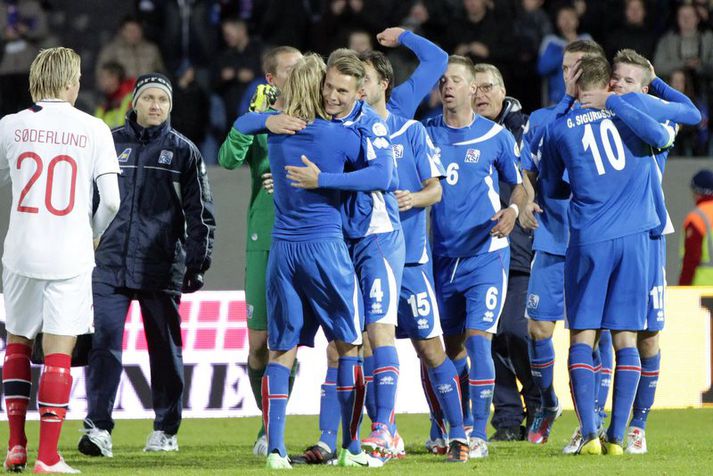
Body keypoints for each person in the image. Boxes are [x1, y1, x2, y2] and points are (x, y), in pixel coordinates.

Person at [284, 27, 448, 465]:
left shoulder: (377, 123)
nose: (333, 96)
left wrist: (324, 180)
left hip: (378, 238)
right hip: (340, 241)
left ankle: (384, 431)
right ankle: (331, 439)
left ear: (364, 89)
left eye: (343, 89)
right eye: (329, 88)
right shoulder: (322, 123)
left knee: (381, 331)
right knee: (339, 343)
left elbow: (382, 178)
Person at [234, 53, 387, 470]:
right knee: (349, 345)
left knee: (281, 349)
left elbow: (240, 125)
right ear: (320, 88)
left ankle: (276, 449)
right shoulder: (340, 137)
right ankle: (352, 448)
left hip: (282, 251)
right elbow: (381, 177)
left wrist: (267, 120)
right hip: (325, 248)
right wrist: (327, 180)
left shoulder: (279, 134)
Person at [538, 54, 675, 455]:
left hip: (590, 238)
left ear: (576, 82)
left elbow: (551, 189)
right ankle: (619, 437)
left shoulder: (559, 129)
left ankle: (591, 434)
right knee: (626, 338)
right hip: (636, 238)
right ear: (609, 84)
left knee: (583, 334)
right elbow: (668, 132)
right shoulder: (629, 114)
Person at [78, 72, 216, 458]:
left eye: (163, 100)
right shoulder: (107, 143)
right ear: (134, 102)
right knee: (104, 344)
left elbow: (200, 213)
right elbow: (85, 202)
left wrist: (197, 262)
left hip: (161, 265)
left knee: (165, 350)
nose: (156, 105)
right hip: (109, 264)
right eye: (149, 98)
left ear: (170, 107)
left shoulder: (184, 151)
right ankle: (98, 428)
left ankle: (165, 429)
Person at [1, 46, 121, 474]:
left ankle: (16, 445)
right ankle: (48, 458)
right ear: (73, 81)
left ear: (36, 80)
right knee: (58, 353)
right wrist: (92, 233)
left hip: (20, 250)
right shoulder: (93, 129)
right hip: (69, 252)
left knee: (17, 341)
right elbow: (110, 201)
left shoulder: (11, 126)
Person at [358, 49, 469, 463]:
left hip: (411, 263)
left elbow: (435, 190)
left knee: (432, 348)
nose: (359, 86)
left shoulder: (411, 131)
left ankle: (459, 432)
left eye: (364, 78)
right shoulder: (353, 132)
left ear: (383, 83)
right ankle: (385, 430)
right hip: (370, 258)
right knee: (371, 346)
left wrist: (413, 198)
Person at [424, 55, 528, 459]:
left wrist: (514, 211)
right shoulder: (424, 133)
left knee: (479, 341)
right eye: (443, 80)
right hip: (440, 258)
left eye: (456, 81)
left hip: (486, 254)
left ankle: (478, 433)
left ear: (472, 89)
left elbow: (518, 186)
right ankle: (445, 424)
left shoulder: (496, 137)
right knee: (443, 350)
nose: (447, 86)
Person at [607, 48, 701, 454]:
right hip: (602, 234)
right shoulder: (598, 117)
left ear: (644, 89)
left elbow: (693, 114)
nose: (619, 86)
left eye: (630, 82)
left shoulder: (654, 115)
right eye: (616, 79)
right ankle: (597, 423)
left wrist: (649, 86)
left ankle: (638, 425)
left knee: (647, 335)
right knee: (599, 333)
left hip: (647, 235)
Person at [521, 39, 606, 449]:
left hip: (596, 240)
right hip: (553, 238)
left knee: (591, 335)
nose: (569, 75)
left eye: (577, 68)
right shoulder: (542, 120)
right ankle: (547, 402)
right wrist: (524, 200)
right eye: (565, 68)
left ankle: (594, 417)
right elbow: (527, 172)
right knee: (538, 328)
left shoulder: (613, 117)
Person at [218, 45, 302, 457]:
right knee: (259, 345)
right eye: (291, 69)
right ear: (271, 79)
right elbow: (227, 159)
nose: (302, 74)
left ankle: (342, 435)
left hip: (311, 237)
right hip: (264, 237)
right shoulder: (259, 122)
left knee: (308, 341)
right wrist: (260, 121)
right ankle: (269, 425)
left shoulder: (322, 114)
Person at [469, 63, 540, 442]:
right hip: (479, 249)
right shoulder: (463, 132)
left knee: (514, 330)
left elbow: (532, 175)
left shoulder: (524, 128)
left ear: (502, 90)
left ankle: (538, 397)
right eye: (474, 89)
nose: (480, 95)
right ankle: (509, 420)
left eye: (487, 88)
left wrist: (529, 202)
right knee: (488, 336)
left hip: (520, 248)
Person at [537, 4, 592, 105]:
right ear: (557, 21)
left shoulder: (587, 40)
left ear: (577, 21)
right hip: (558, 102)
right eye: (563, 18)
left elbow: (596, 66)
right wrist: (564, 52)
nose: (567, 21)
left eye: (570, 17)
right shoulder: (551, 42)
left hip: (584, 101)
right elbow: (542, 68)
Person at [96, 15, 165, 81]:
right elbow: (101, 78)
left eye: (137, 30)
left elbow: (161, 73)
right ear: (121, 31)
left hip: (146, 91)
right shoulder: (110, 51)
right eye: (130, 30)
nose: (134, 34)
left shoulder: (152, 50)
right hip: (122, 92)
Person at [680, 169, 713, 285]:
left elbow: (691, 259)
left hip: (705, 288)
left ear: (697, 192)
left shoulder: (697, 218)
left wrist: (682, 289)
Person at [94, 61, 135, 129]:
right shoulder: (103, 100)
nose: (100, 80)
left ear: (114, 78)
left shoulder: (131, 99)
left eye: (103, 77)